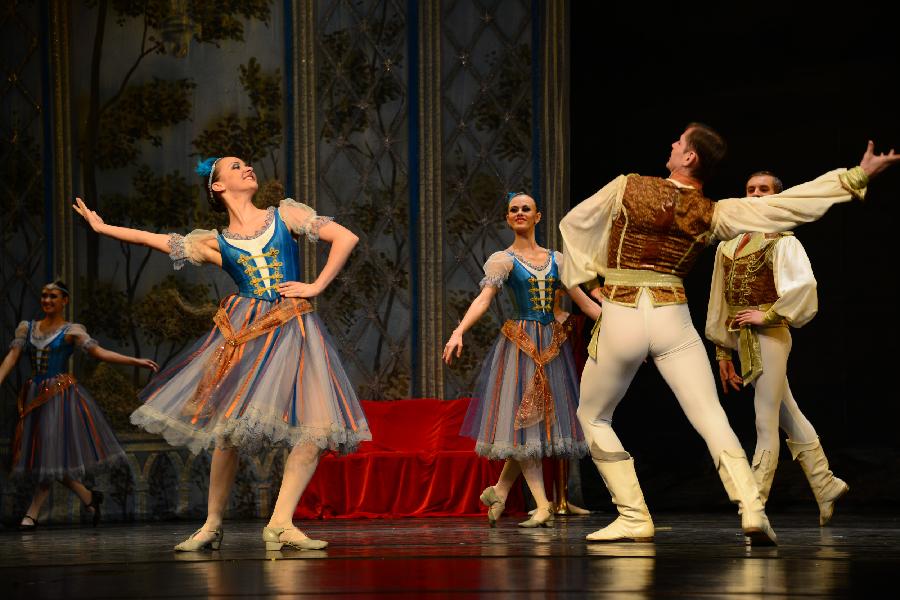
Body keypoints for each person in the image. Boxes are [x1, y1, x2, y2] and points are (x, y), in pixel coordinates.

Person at [559, 123, 897, 545]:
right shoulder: (715, 212)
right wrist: (853, 178)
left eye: (679, 142)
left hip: (624, 308)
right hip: (672, 316)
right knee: (711, 415)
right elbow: (785, 207)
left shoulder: (627, 186)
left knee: (593, 416)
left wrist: (594, 291)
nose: (672, 144)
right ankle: (752, 507)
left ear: (690, 158)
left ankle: (633, 515)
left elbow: (573, 225)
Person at [73, 155, 370, 551]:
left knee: (315, 430)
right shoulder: (216, 242)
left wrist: (315, 286)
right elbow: (155, 239)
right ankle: (211, 525)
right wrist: (102, 226)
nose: (247, 168)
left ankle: (281, 521)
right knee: (228, 433)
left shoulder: (286, 215)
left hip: (294, 327)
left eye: (247, 164)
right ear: (217, 186)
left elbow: (346, 237)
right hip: (246, 332)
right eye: (235, 166)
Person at [443, 192, 602, 528]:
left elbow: (586, 304)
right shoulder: (504, 259)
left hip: (551, 348)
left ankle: (500, 491)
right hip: (521, 345)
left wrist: (622, 330)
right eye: (513, 210)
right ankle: (543, 504)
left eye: (525, 209)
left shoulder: (557, 259)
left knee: (535, 424)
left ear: (537, 217)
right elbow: (484, 300)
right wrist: (459, 331)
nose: (519, 213)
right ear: (507, 219)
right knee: (525, 422)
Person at [706, 170, 848, 526]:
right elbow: (719, 302)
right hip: (743, 339)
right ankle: (826, 483)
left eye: (763, 189)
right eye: (750, 188)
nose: (755, 194)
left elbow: (803, 287)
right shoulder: (728, 244)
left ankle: (755, 505)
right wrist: (724, 352)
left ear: (775, 196)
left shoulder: (782, 240)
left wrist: (768, 312)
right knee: (787, 413)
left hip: (770, 336)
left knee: (765, 419)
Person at [0, 281, 158, 529]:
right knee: (46, 456)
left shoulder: (71, 331)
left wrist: (135, 361)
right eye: (43, 296)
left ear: (64, 300)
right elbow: (12, 357)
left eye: (53, 296)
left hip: (59, 397)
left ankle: (32, 513)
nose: (47, 300)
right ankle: (88, 496)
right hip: (34, 397)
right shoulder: (27, 329)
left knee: (49, 454)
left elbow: (99, 353)